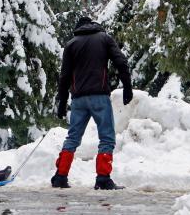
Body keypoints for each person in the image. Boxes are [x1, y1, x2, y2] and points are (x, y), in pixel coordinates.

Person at [51, 16, 133, 190]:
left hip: (78, 99)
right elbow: (121, 61)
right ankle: (103, 178)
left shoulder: (71, 44)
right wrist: (127, 87)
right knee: (106, 138)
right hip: (99, 97)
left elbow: (64, 76)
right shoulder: (104, 39)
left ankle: (60, 176)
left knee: (72, 138)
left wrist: (62, 102)